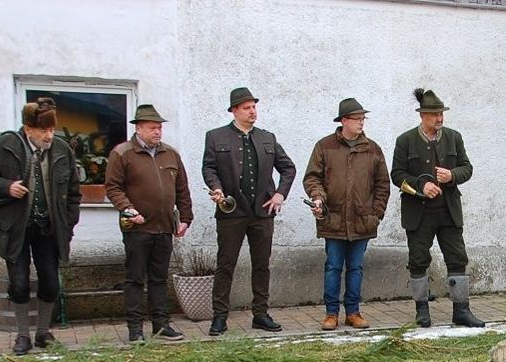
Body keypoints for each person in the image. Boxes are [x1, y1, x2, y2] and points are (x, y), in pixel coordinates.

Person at [0, 97, 82, 354]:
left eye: (52, 130)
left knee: (50, 284)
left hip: (49, 227)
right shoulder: (6, 144)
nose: (49, 135)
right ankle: (22, 335)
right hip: (16, 227)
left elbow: (73, 192)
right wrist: (6, 187)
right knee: (20, 284)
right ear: (28, 129)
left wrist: (68, 224)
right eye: (44, 130)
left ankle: (43, 333)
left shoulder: (62, 150)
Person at [201, 86, 296, 335]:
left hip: (262, 212)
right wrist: (216, 188)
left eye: (254, 107)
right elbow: (209, 169)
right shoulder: (216, 136)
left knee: (261, 264)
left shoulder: (268, 137)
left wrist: (279, 194)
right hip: (231, 210)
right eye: (246, 108)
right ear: (234, 111)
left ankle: (260, 314)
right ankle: (220, 316)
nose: (252, 112)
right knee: (226, 264)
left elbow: (288, 168)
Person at [390, 88, 484, 329]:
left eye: (441, 113)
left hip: (448, 211)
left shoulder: (454, 137)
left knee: (457, 258)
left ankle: (461, 310)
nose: (440, 119)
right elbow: (397, 175)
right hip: (418, 213)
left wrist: (452, 175)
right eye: (434, 114)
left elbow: (467, 168)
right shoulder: (405, 140)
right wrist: (423, 184)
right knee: (418, 260)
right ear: (422, 115)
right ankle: (422, 310)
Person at [104, 104, 192, 342]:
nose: (158, 132)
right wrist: (127, 208)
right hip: (137, 227)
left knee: (159, 278)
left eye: (160, 127)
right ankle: (135, 328)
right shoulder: (122, 153)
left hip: (164, 227)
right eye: (153, 128)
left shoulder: (171, 154)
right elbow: (113, 187)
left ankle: (161, 325)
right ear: (139, 128)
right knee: (134, 279)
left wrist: (186, 217)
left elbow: (182, 189)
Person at [302, 97, 390, 331]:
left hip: (362, 221)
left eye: (363, 118)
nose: (362, 122)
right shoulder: (325, 146)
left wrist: (376, 214)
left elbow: (383, 185)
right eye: (357, 118)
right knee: (332, 267)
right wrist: (318, 197)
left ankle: (353, 312)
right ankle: (331, 314)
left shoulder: (372, 149)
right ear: (344, 121)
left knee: (356, 268)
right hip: (333, 219)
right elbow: (312, 177)